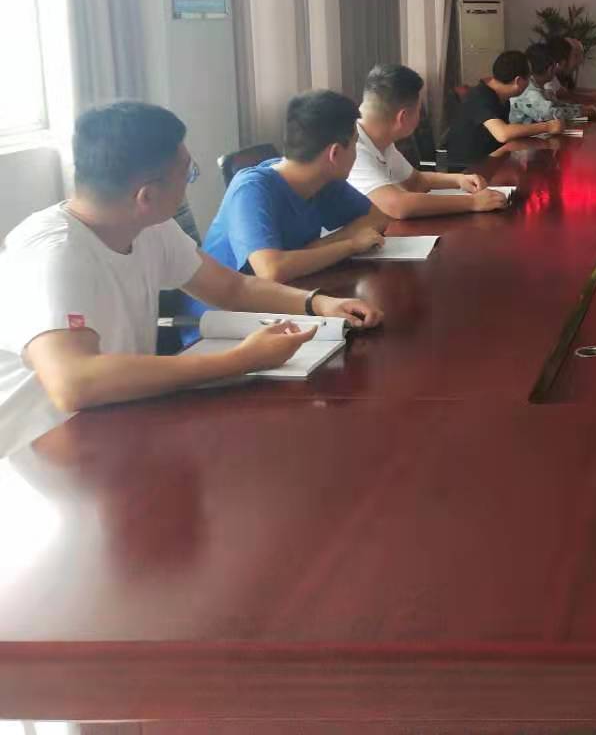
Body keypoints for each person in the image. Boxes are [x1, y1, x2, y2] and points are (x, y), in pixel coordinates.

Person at [0, 102, 383, 457]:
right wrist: (241, 360)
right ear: (146, 196)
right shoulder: (53, 253)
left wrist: (318, 303)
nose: (189, 183)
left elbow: (233, 288)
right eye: (188, 173)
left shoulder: (150, 226)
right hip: (33, 457)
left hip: (114, 426)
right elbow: (74, 382)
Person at [199, 90, 390, 289]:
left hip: (283, 294)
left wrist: (314, 249)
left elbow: (377, 218)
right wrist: (350, 245)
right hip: (225, 306)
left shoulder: (325, 179)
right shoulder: (250, 188)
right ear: (334, 153)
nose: (356, 153)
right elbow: (272, 271)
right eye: (354, 144)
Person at [349, 63, 507, 218]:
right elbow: (398, 205)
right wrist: (473, 202)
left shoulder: (380, 139)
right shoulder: (351, 146)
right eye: (418, 110)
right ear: (403, 117)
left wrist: (459, 179)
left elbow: (415, 181)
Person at [446, 50, 565, 164]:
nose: (530, 82)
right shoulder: (480, 96)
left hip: (492, 160)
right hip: (468, 168)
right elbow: (502, 134)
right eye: (529, 78)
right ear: (518, 81)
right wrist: (547, 126)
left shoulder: (502, 98)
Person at [511, 42, 590, 125]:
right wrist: (580, 112)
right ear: (550, 69)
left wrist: (580, 108)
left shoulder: (535, 86)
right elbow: (550, 114)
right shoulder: (530, 92)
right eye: (556, 65)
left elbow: (555, 104)